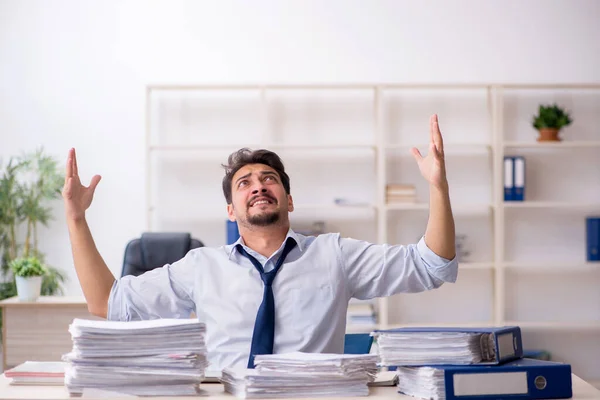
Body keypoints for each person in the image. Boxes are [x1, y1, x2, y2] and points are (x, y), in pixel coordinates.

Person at [63, 114, 458, 371]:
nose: (258, 187)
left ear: (288, 199)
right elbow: (108, 303)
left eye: (269, 179)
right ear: (231, 210)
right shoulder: (202, 266)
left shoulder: (334, 254)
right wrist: (77, 218)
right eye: (244, 183)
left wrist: (438, 186)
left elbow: (431, 264)